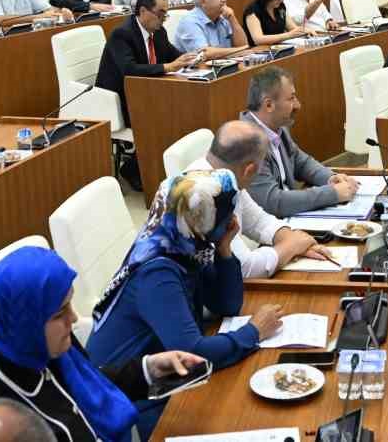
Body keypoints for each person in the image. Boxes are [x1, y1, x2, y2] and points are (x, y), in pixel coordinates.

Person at [0, 244, 202, 442]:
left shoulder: (36, 345)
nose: (73, 318)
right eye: (60, 312)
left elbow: (88, 386)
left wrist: (150, 369)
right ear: (27, 321)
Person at [88, 170, 274, 438]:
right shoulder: (158, 272)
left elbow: (227, 305)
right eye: (225, 217)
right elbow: (194, 353)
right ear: (203, 219)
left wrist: (224, 248)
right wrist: (253, 332)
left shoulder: (186, 244)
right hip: (133, 402)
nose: (233, 221)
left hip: (170, 379)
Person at [188, 122, 329, 279]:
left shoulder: (224, 175)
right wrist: (291, 247)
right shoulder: (206, 197)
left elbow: (258, 221)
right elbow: (243, 268)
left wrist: (291, 237)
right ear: (249, 170)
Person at [240, 67, 356, 216]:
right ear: (268, 105)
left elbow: (300, 161)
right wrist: (331, 194)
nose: (298, 105)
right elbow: (273, 202)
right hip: (271, 226)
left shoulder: (277, 127)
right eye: (291, 98)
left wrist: (330, 178)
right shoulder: (248, 143)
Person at [98, 0, 201, 126]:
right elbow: (129, 69)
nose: (163, 19)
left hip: (148, 91)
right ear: (142, 11)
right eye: (160, 14)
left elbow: (174, 55)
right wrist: (168, 67)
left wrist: (192, 59)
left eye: (166, 14)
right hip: (121, 98)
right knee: (173, 112)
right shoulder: (122, 33)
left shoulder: (158, 32)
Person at [171, 0, 246, 58]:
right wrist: (240, 50)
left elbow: (244, 45)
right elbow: (204, 55)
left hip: (224, 65)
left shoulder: (224, 17)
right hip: (198, 68)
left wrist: (232, 19)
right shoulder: (189, 22)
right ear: (203, 1)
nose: (224, 0)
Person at [240, 0, 304, 47]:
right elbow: (258, 39)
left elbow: (293, 29)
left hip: (278, 48)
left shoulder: (280, 7)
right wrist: (288, 35)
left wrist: (305, 31)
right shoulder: (253, 11)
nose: (280, 0)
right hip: (259, 51)